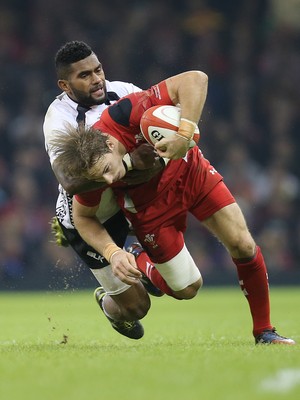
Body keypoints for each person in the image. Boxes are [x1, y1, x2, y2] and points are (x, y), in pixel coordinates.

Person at [49, 70, 296, 345]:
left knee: (243, 244)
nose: (109, 180)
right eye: (101, 178)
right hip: (151, 210)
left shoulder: (128, 113)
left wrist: (184, 133)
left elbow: (196, 79)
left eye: (108, 169)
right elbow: (82, 217)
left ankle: (264, 331)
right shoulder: (93, 169)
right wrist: (114, 252)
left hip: (192, 174)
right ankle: (137, 256)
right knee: (188, 288)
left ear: (109, 143)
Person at [43, 40, 165, 340]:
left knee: (168, 281)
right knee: (137, 309)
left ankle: (136, 255)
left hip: (127, 199)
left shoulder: (124, 92)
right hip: (86, 216)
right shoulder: (59, 118)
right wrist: (127, 163)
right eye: (84, 75)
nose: (96, 79)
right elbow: (69, 182)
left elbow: (159, 131)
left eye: (98, 70)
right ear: (65, 84)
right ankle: (109, 303)